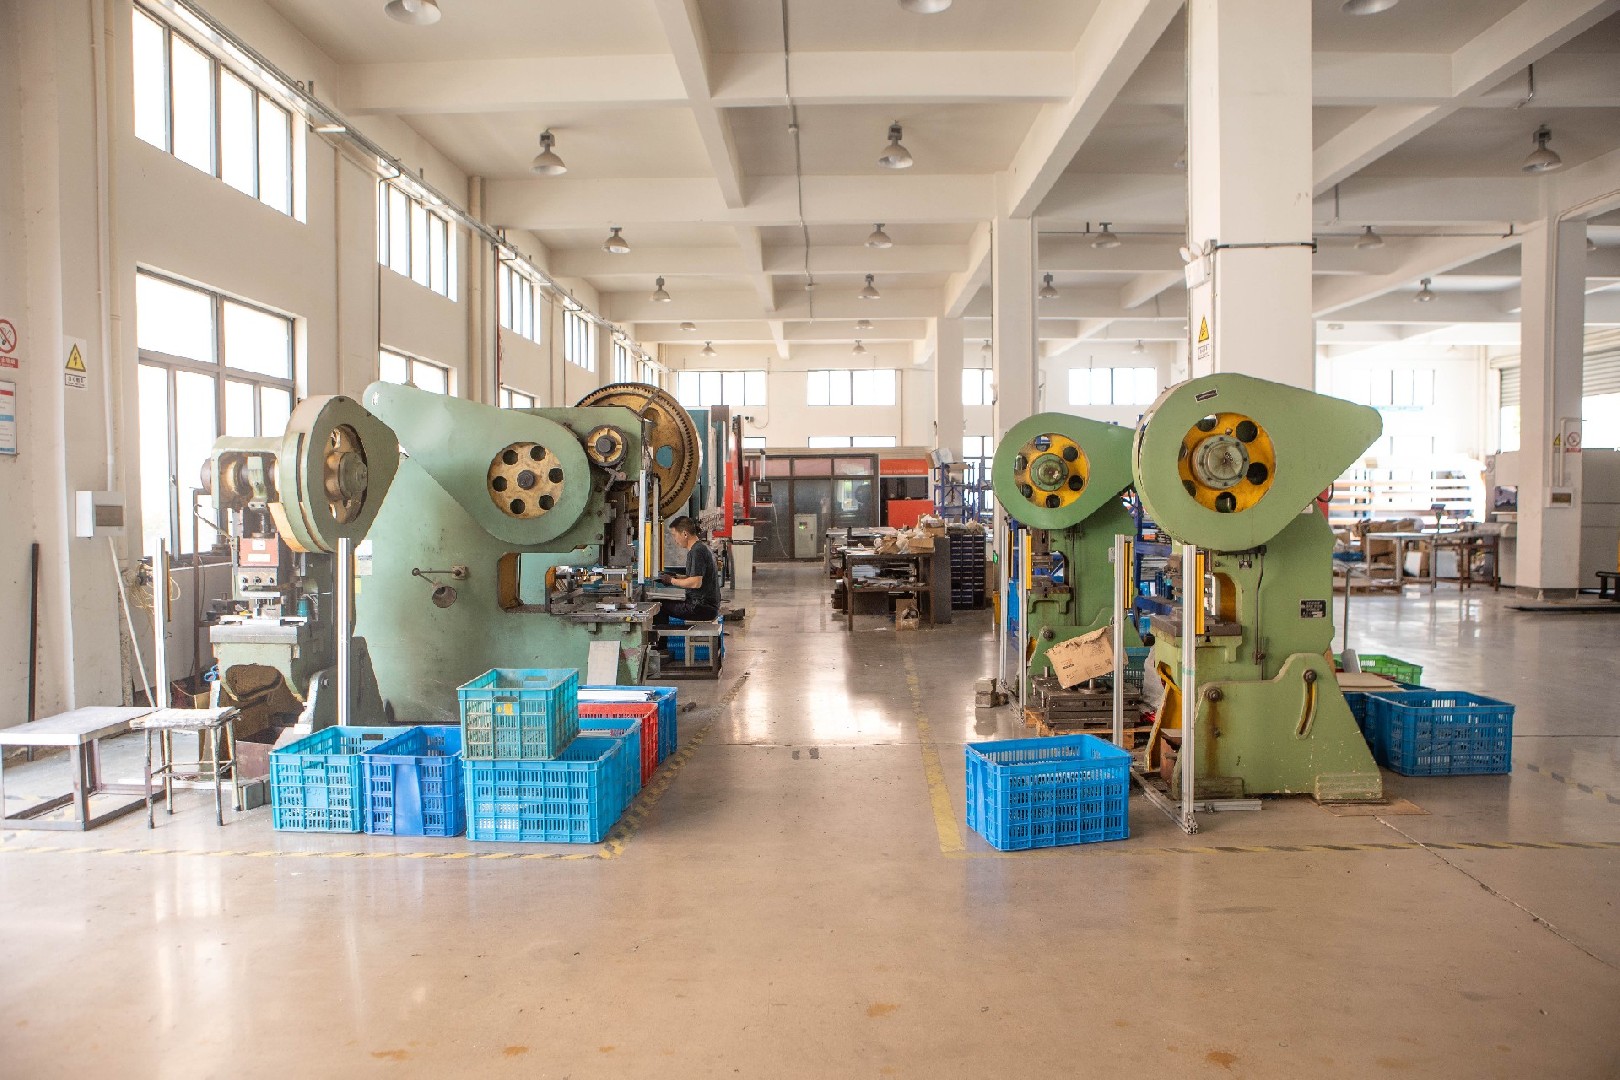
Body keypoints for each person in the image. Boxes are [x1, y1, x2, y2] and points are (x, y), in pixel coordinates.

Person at [654, 516, 720, 626]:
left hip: (701, 608)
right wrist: (675, 576)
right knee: (661, 603)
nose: (675, 540)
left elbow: (695, 583)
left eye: (675, 535)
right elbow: (696, 576)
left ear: (685, 534)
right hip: (705, 606)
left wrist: (671, 581)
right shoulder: (700, 548)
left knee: (658, 606)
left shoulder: (697, 551)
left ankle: (659, 638)